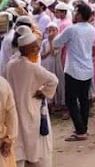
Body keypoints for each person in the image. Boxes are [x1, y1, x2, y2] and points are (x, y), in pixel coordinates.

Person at [6, 32, 58, 167]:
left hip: (15, 109)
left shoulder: (11, 64)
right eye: (34, 47)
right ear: (26, 49)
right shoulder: (32, 67)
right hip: (31, 109)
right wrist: (44, 92)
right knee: (33, 141)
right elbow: (53, 80)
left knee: (20, 141)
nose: (38, 49)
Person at [52, 3, 95, 142]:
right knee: (83, 100)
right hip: (87, 68)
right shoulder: (91, 29)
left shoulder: (72, 29)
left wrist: (55, 35)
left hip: (73, 69)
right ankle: (83, 128)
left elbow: (56, 43)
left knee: (71, 100)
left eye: (76, 12)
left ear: (81, 15)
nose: (74, 15)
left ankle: (81, 130)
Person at [0, 74, 17, 167]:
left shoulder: (2, 84)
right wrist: (10, 138)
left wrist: (10, 138)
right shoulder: (3, 83)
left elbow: (11, 112)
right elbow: (11, 113)